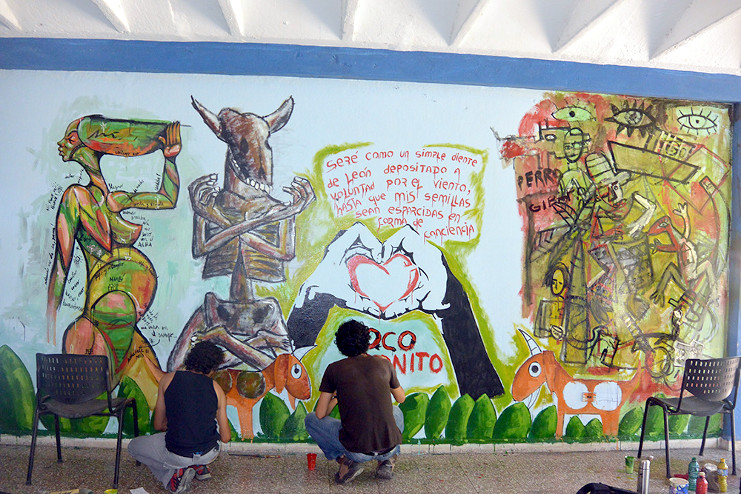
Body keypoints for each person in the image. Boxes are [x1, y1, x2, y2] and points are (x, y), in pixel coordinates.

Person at [305, 319, 406, 484]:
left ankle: (347, 461)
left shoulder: (334, 369)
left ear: (340, 345)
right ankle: (386, 460)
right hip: (389, 447)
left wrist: (336, 397)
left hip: (357, 451)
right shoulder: (384, 363)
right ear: (367, 341)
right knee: (397, 411)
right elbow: (401, 398)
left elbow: (320, 414)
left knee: (311, 420)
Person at [128, 341, 230, 493]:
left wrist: (179, 424)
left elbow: (158, 425)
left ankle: (172, 477)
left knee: (133, 447)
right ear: (213, 368)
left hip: (178, 453)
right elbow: (226, 437)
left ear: (190, 359)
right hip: (209, 453)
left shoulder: (167, 380)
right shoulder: (217, 389)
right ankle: (198, 466)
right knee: (196, 447)